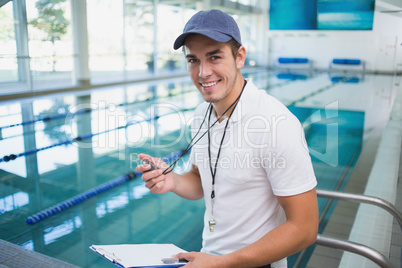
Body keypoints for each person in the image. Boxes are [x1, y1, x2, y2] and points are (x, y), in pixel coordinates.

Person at [136, 9, 318, 268]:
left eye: (214, 57)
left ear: (239, 57)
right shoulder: (202, 114)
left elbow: (304, 228)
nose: (203, 73)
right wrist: (172, 180)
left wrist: (221, 263)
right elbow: (201, 182)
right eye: (193, 60)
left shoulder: (276, 123)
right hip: (208, 257)